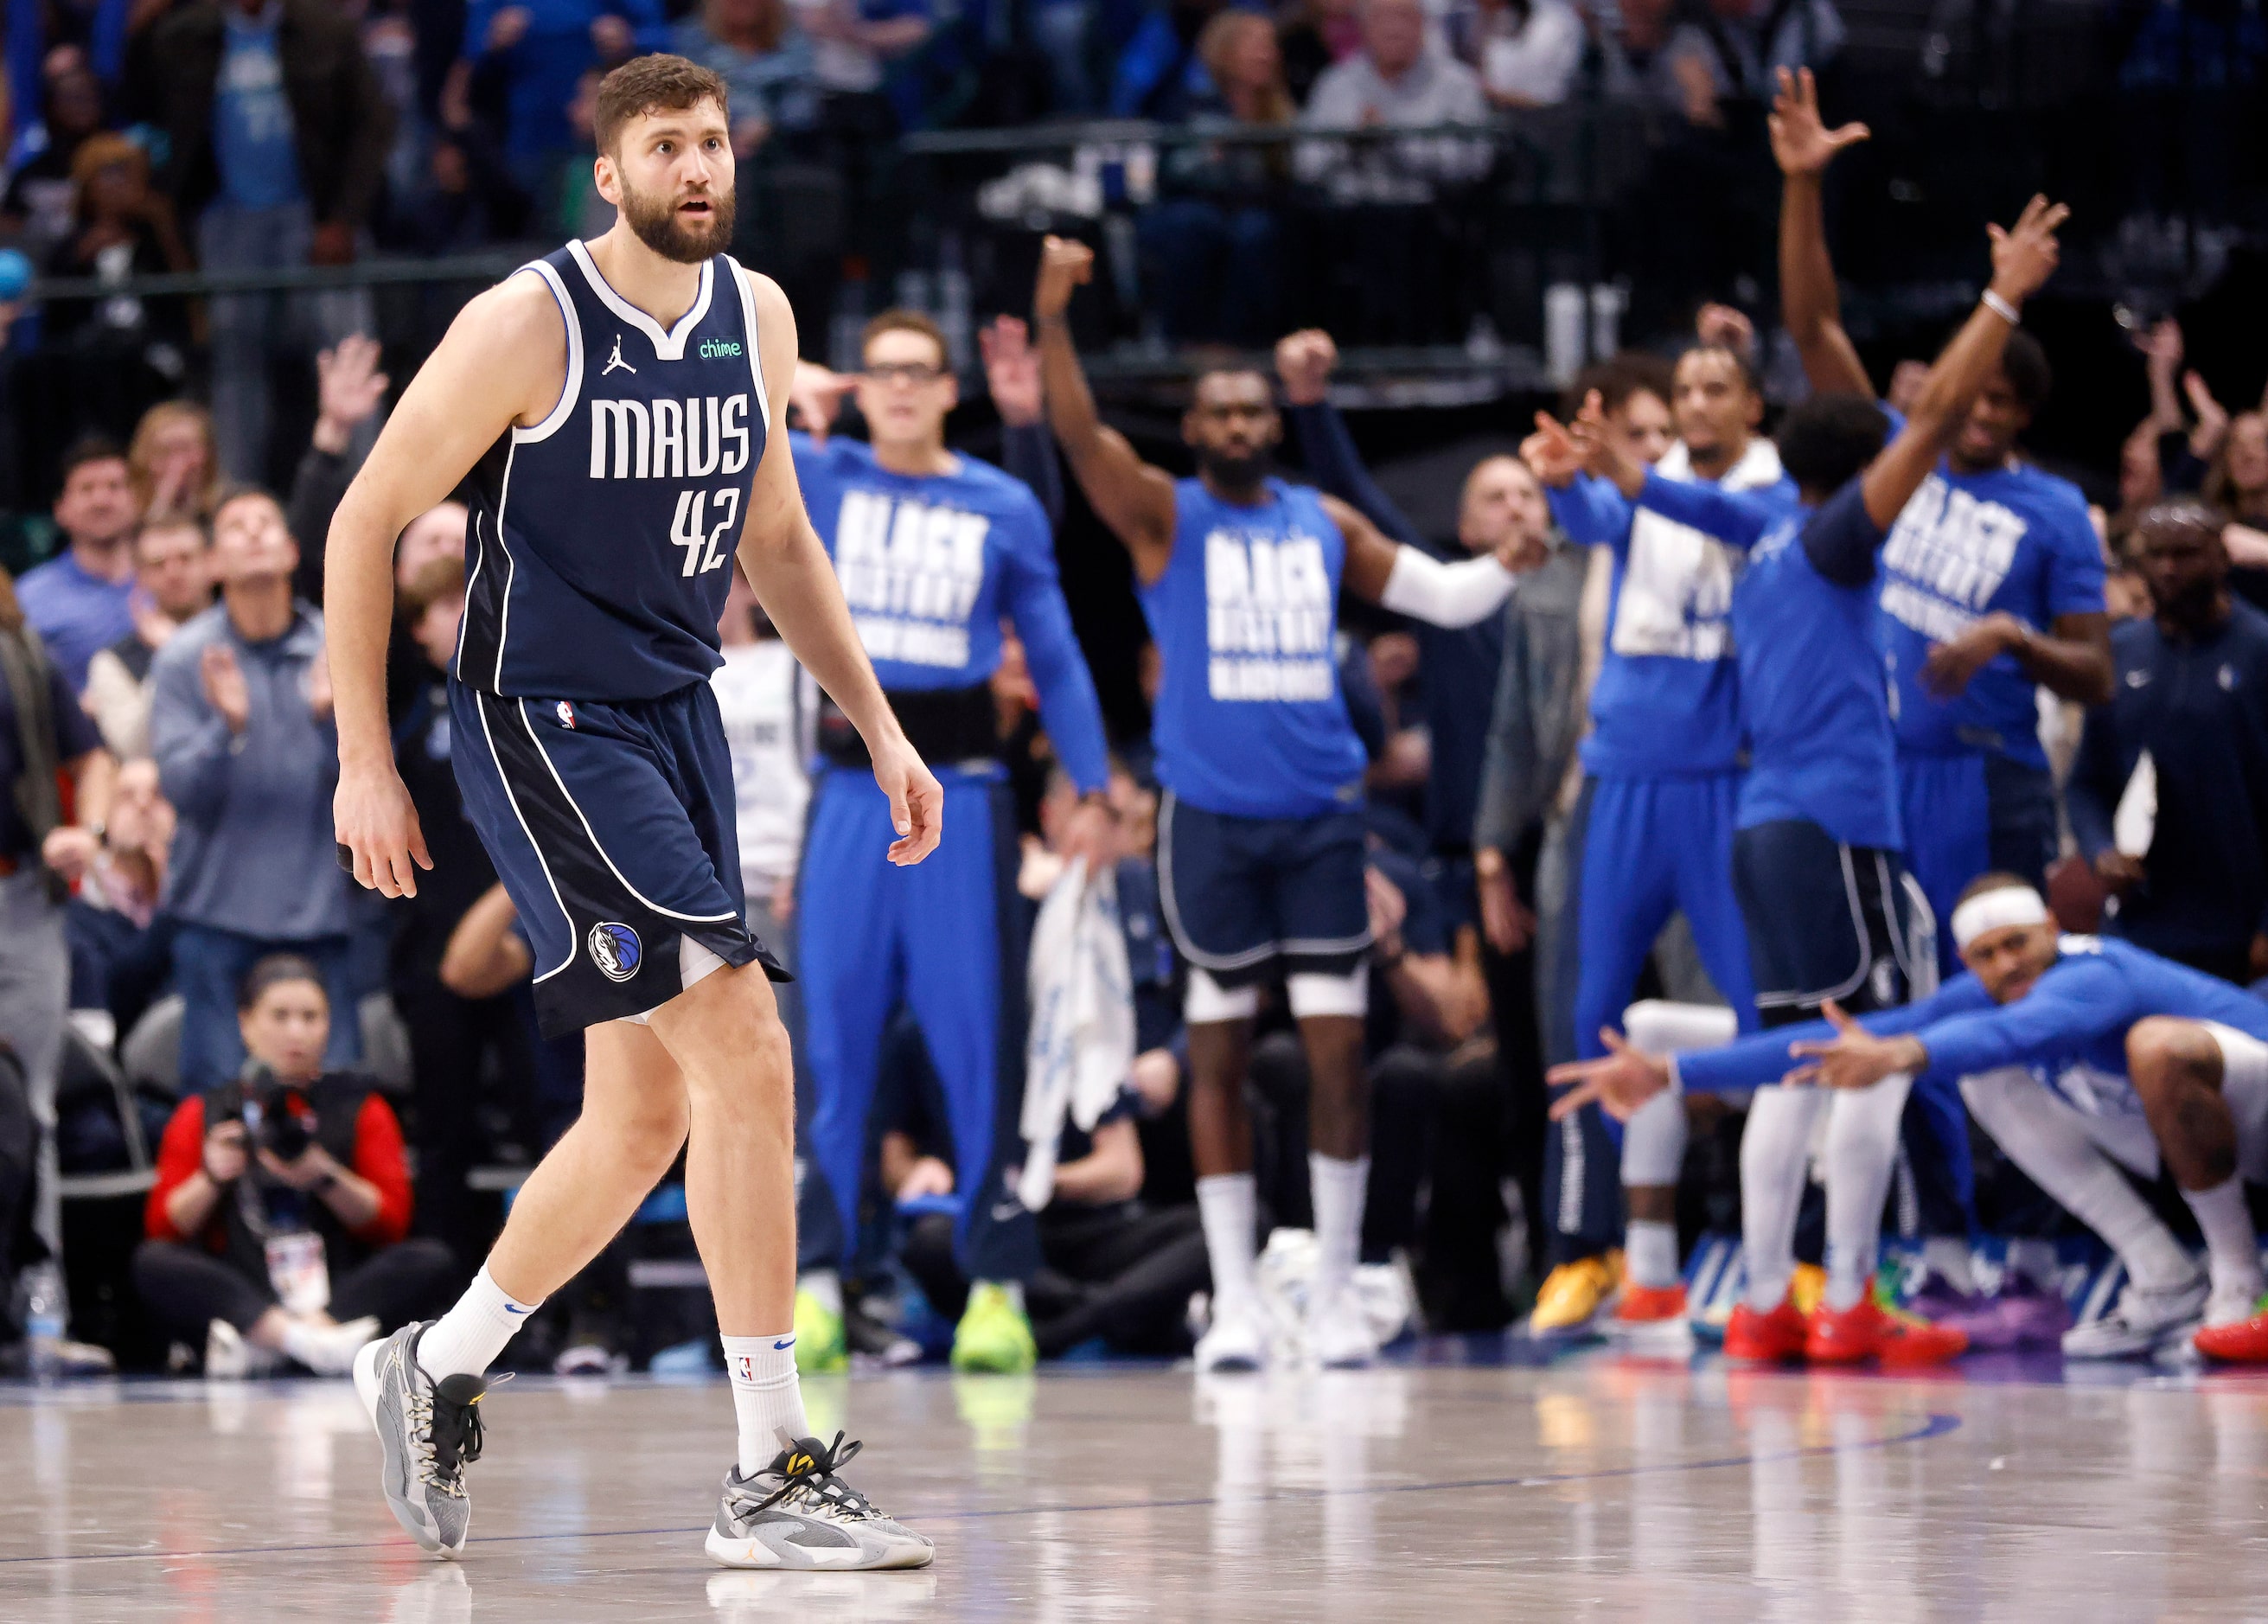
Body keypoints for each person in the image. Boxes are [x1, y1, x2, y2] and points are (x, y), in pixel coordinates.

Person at [327, 55, 937, 1570]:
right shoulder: (528, 321)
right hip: (542, 717)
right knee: (746, 1041)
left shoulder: (762, 316)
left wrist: (878, 721)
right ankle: (770, 1468)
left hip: (677, 716)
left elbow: (776, 532)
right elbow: (363, 517)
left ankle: (440, 1361)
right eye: (665, 146)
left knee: (646, 1109)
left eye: (713, 143)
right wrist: (362, 756)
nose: (695, 168)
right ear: (609, 174)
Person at [1549, 190, 2069, 1365]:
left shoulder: (1766, 537)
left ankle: (1768, 1303)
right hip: (1835, 833)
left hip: (1766, 823)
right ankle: (1841, 1299)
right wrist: (2001, 298)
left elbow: (1668, 494)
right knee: (1866, 1061)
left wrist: (1617, 478)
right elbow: (1932, 415)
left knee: (1792, 1063)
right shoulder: (1833, 540)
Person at [1033, 232, 1545, 1371]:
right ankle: (1237, 1296)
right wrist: (1057, 318)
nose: (1235, 426)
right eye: (1215, 413)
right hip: (1209, 820)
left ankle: (1326, 1287)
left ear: (1272, 423)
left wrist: (1511, 558)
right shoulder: (1163, 514)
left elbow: (1449, 597)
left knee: (1333, 1053)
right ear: (1196, 425)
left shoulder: (1323, 523)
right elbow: (1076, 434)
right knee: (1215, 1053)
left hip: (1319, 816)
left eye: (1251, 412)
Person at [787, 305, 1115, 1377]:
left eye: (917, 371)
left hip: (965, 795)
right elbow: (704, 401)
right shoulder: (814, 473)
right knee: (830, 1044)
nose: (897, 388)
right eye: (879, 371)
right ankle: (818, 1286)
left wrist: (1094, 783)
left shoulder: (1001, 502)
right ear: (860, 384)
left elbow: (1058, 654)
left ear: (946, 387)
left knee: (978, 1048)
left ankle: (996, 1287)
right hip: (845, 793)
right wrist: (792, 386)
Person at [1550, 873, 2268, 1362]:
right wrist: (1669, 1073)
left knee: (2150, 1045)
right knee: (1974, 1074)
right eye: (1986, 955)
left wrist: (1902, 1054)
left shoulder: (2096, 972)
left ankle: (2237, 1278)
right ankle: (2165, 1278)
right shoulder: (1988, 995)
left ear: (2052, 927)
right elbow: (1835, 1044)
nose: (2007, 964)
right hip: (2212, 1148)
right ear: (1966, 960)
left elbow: (2013, 1033)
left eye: (2018, 942)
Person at [1772, 67, 2111, 979]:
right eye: (1973, 392)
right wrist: (1802, 185)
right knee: (1874, 986)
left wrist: (2010, 637)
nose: (1976, 412)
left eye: (2000, 401)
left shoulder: (2054, 512)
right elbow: (1811, 325)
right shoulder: (1893, 451)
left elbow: (2096, 673)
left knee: (1988, 988)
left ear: (2025, 416)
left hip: (1985, 773)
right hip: (1873, 767)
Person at [1516, 336, 1788, 1342]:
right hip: (1624, 773)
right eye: (1685, 390)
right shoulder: (1653, 483)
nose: (1698, 405)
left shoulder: (1776, 489)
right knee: (1591, 1013)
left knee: (1769, 1016)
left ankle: (1788, 1261)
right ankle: (1609, 1261)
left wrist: (1626, 477)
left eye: (1716, 389)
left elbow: (1730, 521)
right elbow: (1605, 521)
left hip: (1726, 780)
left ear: (1754, 407)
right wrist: (1563, 484)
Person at [133, 956, 455, 1377]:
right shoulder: (205, 1112)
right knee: (153, 1262)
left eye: (311, 1017)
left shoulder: (362, 1107)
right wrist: (212, 1176)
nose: (296, 1032)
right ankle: (307, 1342)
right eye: (280, 1017)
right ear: (246, 1023)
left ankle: (279, 1341)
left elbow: (391, 1222)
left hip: (335, 1280)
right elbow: (164, 1226)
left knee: (431, 1258)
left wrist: (326, 1176)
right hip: (247, 1279)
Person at [131, 0, 397, 483]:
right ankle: (237, 498)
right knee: (235, 366)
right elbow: (149, 114)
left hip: (313, 215)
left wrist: (343, 219)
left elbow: (372, 125)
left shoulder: (325, 30)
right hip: (227, 219)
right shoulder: (183, 34)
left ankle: (372, 495)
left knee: (349, 357)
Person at [150, 487, 357, 1090]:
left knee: (337, 1109)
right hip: (217, 919)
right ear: (213, 564)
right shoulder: (185, 659)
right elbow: (184, 794)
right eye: (235, 527)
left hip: (320, 916)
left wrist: (328, 723)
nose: (254, 534)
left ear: (292, 551)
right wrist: (227, 727)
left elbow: (374, 791)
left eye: (266, 523)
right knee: (219, 1108)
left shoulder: (339, 646)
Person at [2068, 502, 2268, 986]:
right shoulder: (2120, 651)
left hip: (2236, 931)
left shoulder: (2261, 650)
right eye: (2155, 555)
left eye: (2186, 554)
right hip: (2138, 923)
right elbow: (2085, 783)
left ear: (2222, 558)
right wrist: (2099, 852)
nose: (2168, 569)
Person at [0, 564, 116, 1298]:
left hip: (20, 893)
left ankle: (40, 1299)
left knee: (29, 1103)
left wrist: (91, 829)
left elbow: (92, 754)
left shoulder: (22, 650)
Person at [1134, 10, 1297, 348]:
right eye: (1253, 46)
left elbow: (1294, 174)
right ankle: (1186, 343)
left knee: (1257, 233)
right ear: (1224, 52)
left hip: (1259, 206)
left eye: (1269, 46)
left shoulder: (1283, 109)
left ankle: (1247, 346)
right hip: (1195, 203)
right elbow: (1166, 169)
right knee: (1194, 226)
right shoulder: (1189, 102)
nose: (1265, 54)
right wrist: (1209, 155)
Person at [82, 513, 213, 760]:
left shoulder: (245, 635)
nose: (173, 572)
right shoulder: (112, 662)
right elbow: (135, 750)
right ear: (140, 575)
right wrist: (172, 654)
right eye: (158, 564)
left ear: (211, 561)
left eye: (185, 559)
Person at [15, 436, 140, 693]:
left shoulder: (172, 577)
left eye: (114, 487)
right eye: (86, 489)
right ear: (61, 509)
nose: (101, 500)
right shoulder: (29, 597)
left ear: (137, 500)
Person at [128, 400, 224, 524]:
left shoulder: (228, 506)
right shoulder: (126, 511)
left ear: (208, 454)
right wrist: (162, 503)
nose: (178, 464)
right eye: (164, 452)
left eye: (186, 449)